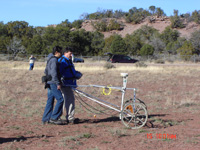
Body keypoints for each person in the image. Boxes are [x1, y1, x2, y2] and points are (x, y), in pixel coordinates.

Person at [58, 47, 82, 124]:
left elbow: (71, 71)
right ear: (65, 53)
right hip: (65, 84)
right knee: (65, 100)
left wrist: (77, 74)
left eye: (71, 53)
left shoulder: (69, 61)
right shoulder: (62, 61)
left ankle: (70, 117)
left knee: (69, 100)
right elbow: (59, 73)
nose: (71, 55)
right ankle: (60, 117)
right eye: (70, 53)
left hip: (70, 84)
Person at [42, 46, 64, 125]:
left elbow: (46, 71)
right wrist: (57, 83)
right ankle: (54, 118)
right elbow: (54, 73)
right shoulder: (54, 60)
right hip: (53, 82)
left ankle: (45, 119)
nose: (61, 54)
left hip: (49, 82)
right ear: (56, 52)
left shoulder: (50, 59)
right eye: (61, 52)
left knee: (50, 100)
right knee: (60, 99)